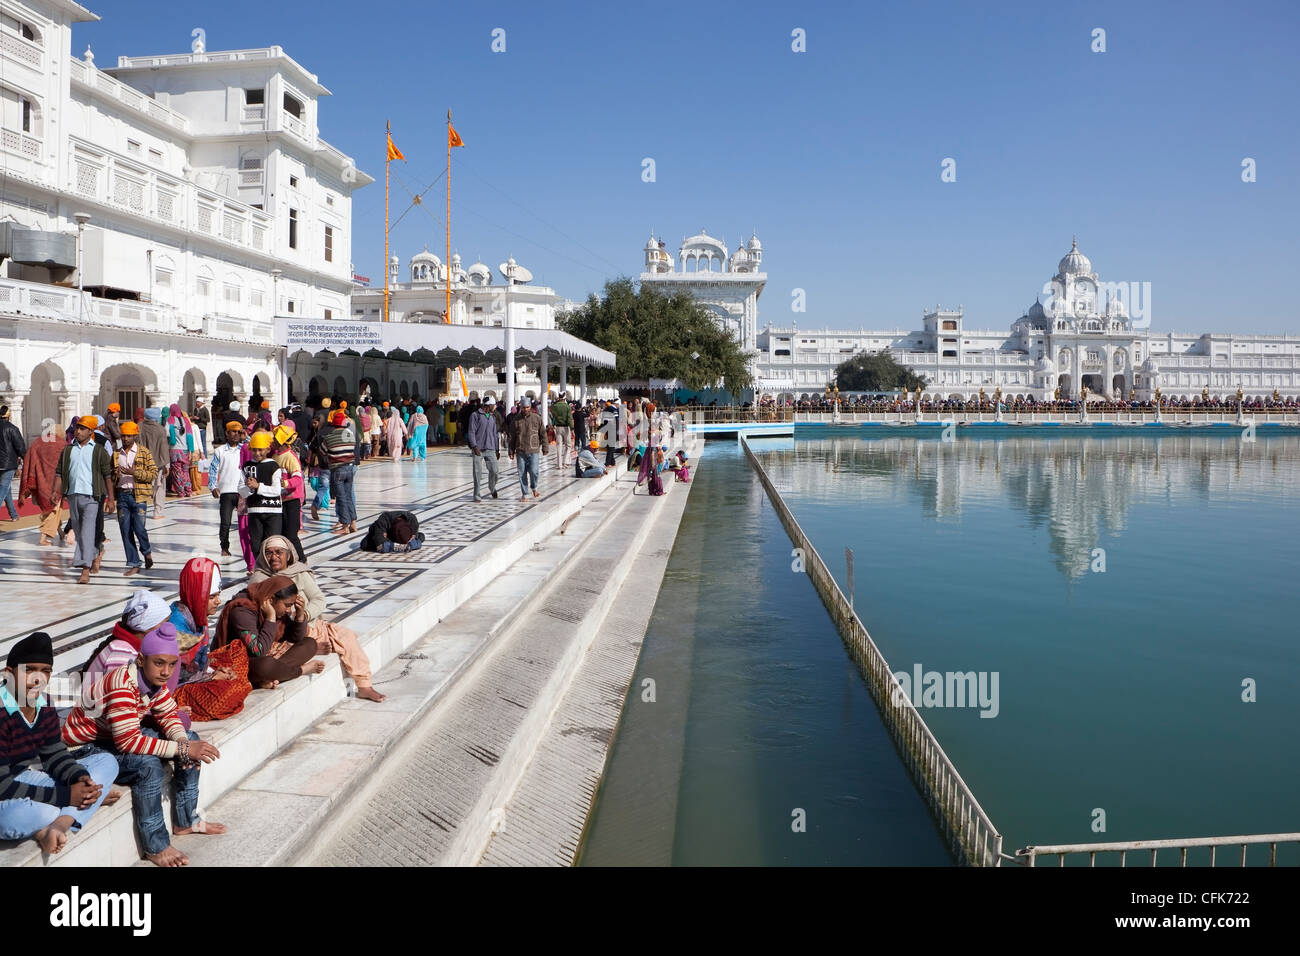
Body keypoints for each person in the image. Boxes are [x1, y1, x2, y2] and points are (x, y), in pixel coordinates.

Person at [63, 621, 227, 866]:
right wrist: (181, 749)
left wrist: (183, 744)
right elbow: (129, 742)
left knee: (190, 739)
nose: (166, 671)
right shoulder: (122, 686)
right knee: (147, 765)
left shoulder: (152, 682)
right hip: (85, 747)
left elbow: (168, 714)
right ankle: (156, 846)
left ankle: (186, 820)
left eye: (172, 664)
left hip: (114, 737)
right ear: (141, 660)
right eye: (159, 663)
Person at [0, 632, 120, 855]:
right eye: (29, 670)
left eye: (45, 671)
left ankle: (62, 821)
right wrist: (67, 796)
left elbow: (54, 754)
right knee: (32, 814)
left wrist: (78, 778)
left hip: (22, 777)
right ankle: (80, 805)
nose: (38, 678)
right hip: (4, 788)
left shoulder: (43, 703)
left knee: (107, 761)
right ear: (9, 673)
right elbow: (2, 785)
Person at [250, 537, 385, 702]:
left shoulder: (299, 572)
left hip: (310, 625)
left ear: (288, 555)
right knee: (284, 649)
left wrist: (304, 614)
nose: (274, 557)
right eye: (269, 553)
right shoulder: (259, 579)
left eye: (279, 552)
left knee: (347, 636)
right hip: (280, 633)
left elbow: (319, 599)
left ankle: (364, 686)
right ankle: (313, 648)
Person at [212, 575, 325, 689]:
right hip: (237, 664)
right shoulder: (242, 611)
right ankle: (298, 671)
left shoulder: (275, 609)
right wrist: (270, 617)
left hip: (265, 658)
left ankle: (269, 677)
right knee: (265, 665)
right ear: (270, 600)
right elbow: (258, 651)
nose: (289, 610)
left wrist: (300, 615)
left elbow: (295, 638)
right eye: (287, 605)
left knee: (310, 644)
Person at [51, 417, 115, 585]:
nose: (77, 432)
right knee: (79, 532)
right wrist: (55, 491)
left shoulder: (98, 451)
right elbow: (59, 472)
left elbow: (107, 476)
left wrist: (110, 499)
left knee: (86, 532)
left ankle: (85, 569)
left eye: (82, 429)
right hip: (73, 496)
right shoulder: (68, 451)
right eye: (77, 429)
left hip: (92, 497)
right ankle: (95, 551)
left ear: (90, 431)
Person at [113, 421, 158, 576]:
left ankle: (146, 552)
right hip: (122, 496)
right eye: (123, 435)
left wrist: (135, 473)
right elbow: (111, 476)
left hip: (138, 495)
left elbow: (153, 474)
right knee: (125, 530)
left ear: (135, 435)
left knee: (139, 528)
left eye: (129, 436)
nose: (125, 439)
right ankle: (134, 562)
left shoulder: (143, 452)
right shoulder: (116, 454)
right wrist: (115, 475)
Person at [18, 415, 66, 545]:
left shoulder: (38, 442)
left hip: (40, 483)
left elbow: (28, 458)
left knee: (54, 509)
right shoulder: (62, 444)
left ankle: (60, 532)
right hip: (56, 484)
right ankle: (43, 537)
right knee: (55, 509)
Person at [240, 431, 283, 564]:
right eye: (254, 450)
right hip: (254, 511)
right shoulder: (247, 466)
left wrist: (258, 486)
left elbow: (276, 490)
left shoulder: (273, 466)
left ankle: (273, 569)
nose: (257, 453)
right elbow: (241, 489)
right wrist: (250, 489)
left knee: (272, 544)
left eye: (260, 450)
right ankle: (262, 569)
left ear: (268, 449)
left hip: (273, 512)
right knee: (256, 544)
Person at [209, 421, 246, 557]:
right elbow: (213, 469)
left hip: (242, 492)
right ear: (227, 433)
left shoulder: (244, 449)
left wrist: (245, 437)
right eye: (233, 432)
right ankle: (224, 547)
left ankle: (247, 548)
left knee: (244, 522)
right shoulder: (220, 451)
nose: (236, 435)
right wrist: (213, 486)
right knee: (225, 522)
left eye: (238, 432)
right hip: (226, 491)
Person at [272, 424, 307, 562]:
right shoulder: (275, 456)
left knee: (292, 534)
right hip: (281, 499)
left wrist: (286, 483)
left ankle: (302, 559)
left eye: (275, 439)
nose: (272, 442)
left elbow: (298, 478)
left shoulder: (290, 457)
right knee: (282, 533)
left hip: (292, 499)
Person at [321, 410, 358, 533]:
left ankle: (345, 526)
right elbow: (352, 447)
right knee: (348, 496)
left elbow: (322, 451)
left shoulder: (329, 437)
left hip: (338, 470)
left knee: (341, 497)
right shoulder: (350, 435)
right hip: (350, 468)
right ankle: (353, 522)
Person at [510, 397, 546, 501]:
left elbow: (542, 433)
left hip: (533, 449)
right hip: (520, 450)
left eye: (527, 407)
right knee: (522, 473)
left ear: (530, 407)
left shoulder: (537, 418)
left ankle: (534, 487)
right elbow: (512, 437)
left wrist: (545, 447)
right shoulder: (516, 420)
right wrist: (511, 451)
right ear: (520, 407)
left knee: (534, 471)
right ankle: (525, 494)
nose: (525, 409)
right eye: (523, 407)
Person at [467, 396, 501, 501]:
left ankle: (492, 487)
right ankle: (477, 494)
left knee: (495, 471)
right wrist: (474, 446)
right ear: (488, 405)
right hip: (478, 449)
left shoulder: (492, 417)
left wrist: (497, 449)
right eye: (493, 405)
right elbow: (471, 431)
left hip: (490, 448)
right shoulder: (475, 415)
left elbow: (495, 434)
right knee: (477, 472)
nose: (494, 407)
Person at [140, 407, 171, 519]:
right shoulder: (160, 429)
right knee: (159, 487)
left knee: (142, 487)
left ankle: (140, 512)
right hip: (158, 463)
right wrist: (167, 464)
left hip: (143, 462)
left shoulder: (140, 427)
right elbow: (163, 448)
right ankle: (157, 512)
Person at [0, 403, 28, 522]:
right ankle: (14, 515)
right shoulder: (12, 428)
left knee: (7, 489)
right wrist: (26, 459)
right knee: (3, 488)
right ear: (8, 416)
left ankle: (14, 515)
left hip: (5, 463)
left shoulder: (11, 428)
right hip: (7, 464)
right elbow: (20, 447)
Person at [165, 404, 194, 498]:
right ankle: (188, 491)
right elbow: (190, 436)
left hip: (175, 450)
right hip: (185, 450)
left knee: (177, 472)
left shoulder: (170, 420)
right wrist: (190, 450)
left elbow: (166, 432)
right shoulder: (186, 420)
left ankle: (181, 492)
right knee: (185, 471)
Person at [359, 511, 424, 553]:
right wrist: (399, 547)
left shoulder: (412, 520)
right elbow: (381, 547)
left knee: (420, 538)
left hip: (389, 537)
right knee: (364, 544)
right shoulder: (383, 521)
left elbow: (413, 541)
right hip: (379, 532)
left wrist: (401, 546)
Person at [551, 393, 573, 467]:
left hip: (558, 427)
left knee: (559, 445)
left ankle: (559, 464)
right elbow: (569, 418)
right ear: (565, 398)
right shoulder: (567, 407)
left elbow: (552, 414)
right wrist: (572, 428)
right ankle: (565, 462)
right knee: (568, 445)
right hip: (566, 427)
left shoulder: (554, 406)